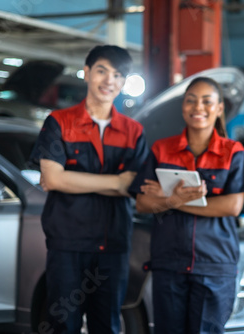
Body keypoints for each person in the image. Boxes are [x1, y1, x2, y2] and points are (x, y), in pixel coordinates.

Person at [30, 45, 149, 333]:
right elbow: (53, 179)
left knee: (107, 325)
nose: (110, 80)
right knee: (63, 324)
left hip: (113, 245)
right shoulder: (59, 122)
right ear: (86, 72)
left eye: (118, 75)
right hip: (68, 244)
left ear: (123, 83)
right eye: (102, 71)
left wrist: (76, 179)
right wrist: (115, 182)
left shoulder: (134, 131)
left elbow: (135, 187)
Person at [129, 77, 244, 334]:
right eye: (191, 100)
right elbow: (142, 202)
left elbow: (231, 206)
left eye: (207, 101)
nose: (198, 107)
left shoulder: (233, 152)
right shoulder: (162, 149)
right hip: (168, 264)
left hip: (214, 265)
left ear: (219, 108)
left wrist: (172, 200)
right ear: (183, 106)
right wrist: (174, 200)